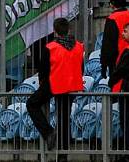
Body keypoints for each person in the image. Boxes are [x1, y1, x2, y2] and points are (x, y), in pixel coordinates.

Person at [26, 17, 83, 154]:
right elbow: (81, 67)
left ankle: (48, 132)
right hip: (73, 84)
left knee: (32, 104)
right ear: (69, 30)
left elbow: (43, 70)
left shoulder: (50, 47)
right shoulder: (79, 46)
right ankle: (63, 154)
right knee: (64, 118)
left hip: (55, 83)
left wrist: (42, 83)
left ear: (55, 32)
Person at [107, 22, 129, 156]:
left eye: (125, 31)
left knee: (127, 121)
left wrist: (112, 81)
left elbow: (120, 70)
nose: (122, 33)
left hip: (127, 89)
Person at [100, 0, 129, 79]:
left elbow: (108, 44)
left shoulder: (112, 18)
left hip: (118, 60)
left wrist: (104, 65)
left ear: (112, 3)